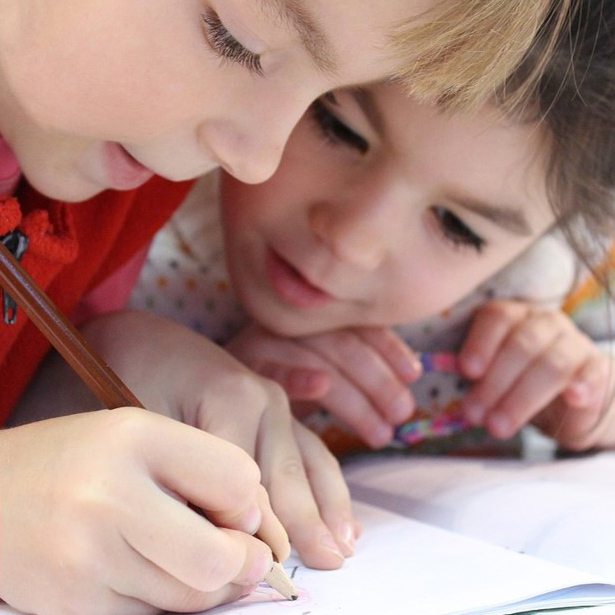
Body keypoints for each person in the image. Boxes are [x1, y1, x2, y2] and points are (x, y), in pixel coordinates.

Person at [2, 1, 578, 615]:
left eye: (319, 98)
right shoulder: (122, 157)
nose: (255, 161)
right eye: (235, 40)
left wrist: (79, 388)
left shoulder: (120, 183)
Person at [130, 0, 615, 463]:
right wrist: (183, 393)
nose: (350, 242)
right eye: (339, 129)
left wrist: (587, 400)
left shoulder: (555, 282)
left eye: (456, 227)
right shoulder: (132, 200)